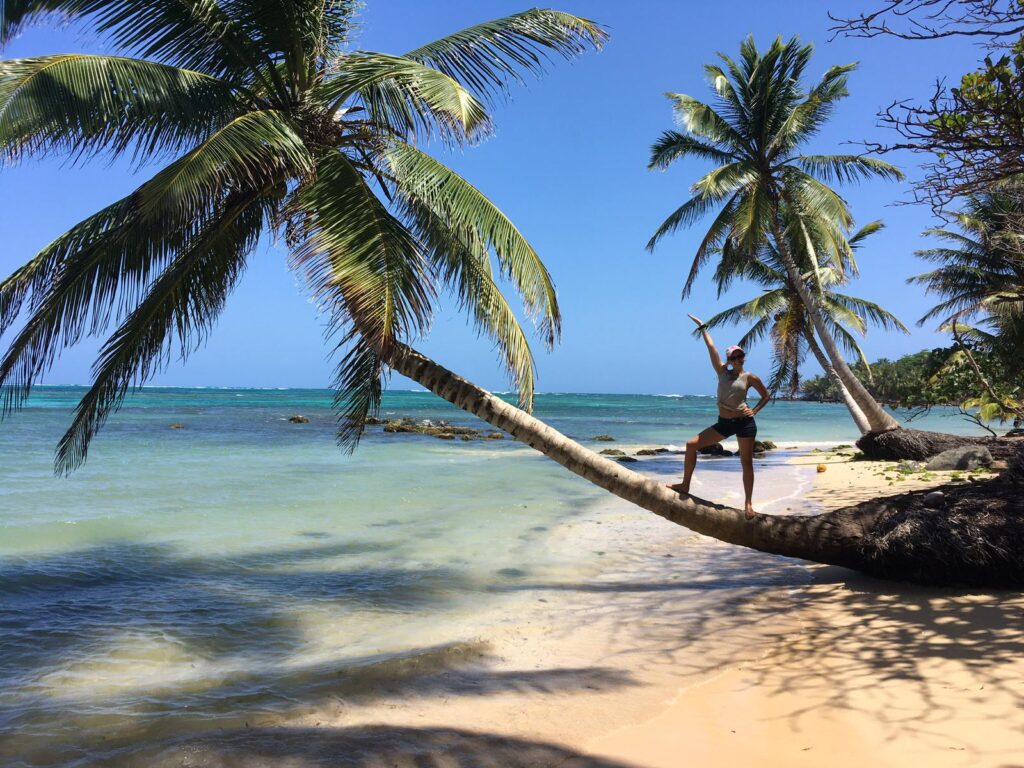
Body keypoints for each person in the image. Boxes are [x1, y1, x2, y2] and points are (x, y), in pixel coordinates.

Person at [668, 314, 770, 520]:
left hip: (744, 424)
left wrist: (755, 410)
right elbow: (711, 348)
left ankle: (748, 503)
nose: (737, 360)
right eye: (733, 357)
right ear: (729, 360)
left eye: (740, 356)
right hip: (724, 423)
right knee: (691, 445)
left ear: (743, 358)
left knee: (746, 463)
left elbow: (766, 396)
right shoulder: (722, 371)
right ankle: (685, 484)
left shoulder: (750, 377)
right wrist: (703, 327)